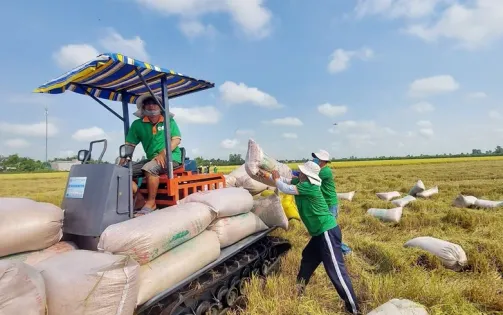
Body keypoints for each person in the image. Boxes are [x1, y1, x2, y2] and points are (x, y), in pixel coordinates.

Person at [259, 161, 360, 315]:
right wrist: (267, 175)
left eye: (301, 171)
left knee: (335, 270)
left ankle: (353, 309)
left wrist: (277, 178)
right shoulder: (301, 182)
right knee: (308, 256)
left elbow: (284, 187)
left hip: (327, 231)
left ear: (307, 175)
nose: (298, 172)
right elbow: (285, 182)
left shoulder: (310, 187)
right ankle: (299, 288)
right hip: (319, 233)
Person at [119, 94, 182, 213]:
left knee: (149, 168)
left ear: (160, 106)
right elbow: (130, 145)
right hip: (152, 158)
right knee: (122, 171)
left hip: (171, 157)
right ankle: (139, 200)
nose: (151, 106)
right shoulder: (138, 124)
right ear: (143, 107)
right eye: (148, 103)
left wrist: (163, 153)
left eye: (154, 103)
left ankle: (151, 202)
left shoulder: (169, 121)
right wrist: (124, 157)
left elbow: (176, 140)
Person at [311, 149, 352, 255]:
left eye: (316, 158)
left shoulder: (325, 171)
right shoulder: (320, 170)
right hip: (325, 204)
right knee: (325, 231)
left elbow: (309, 178)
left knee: (330, 232)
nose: (314, 160)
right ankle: (326, 252)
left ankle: (345, 250)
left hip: (330, 204)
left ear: (322, 161)